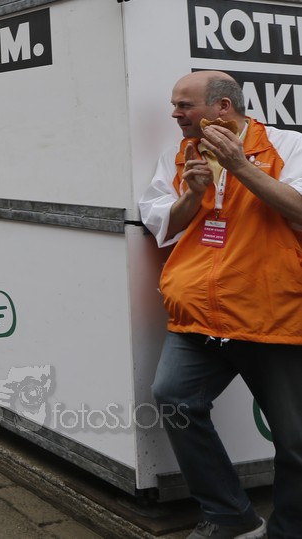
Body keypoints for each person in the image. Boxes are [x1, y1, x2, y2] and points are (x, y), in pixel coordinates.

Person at [139, 71, 302, 539]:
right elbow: (161, 223)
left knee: (295, 440)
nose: (175, 114)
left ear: (223, 108)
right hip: (199, 315)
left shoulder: (287, 146)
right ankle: (230, 515)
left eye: (184, 105)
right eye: (175, 105)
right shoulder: (180, 154)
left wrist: (240, 167)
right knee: (174, 399)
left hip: (270, 313)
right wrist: (192, 195)